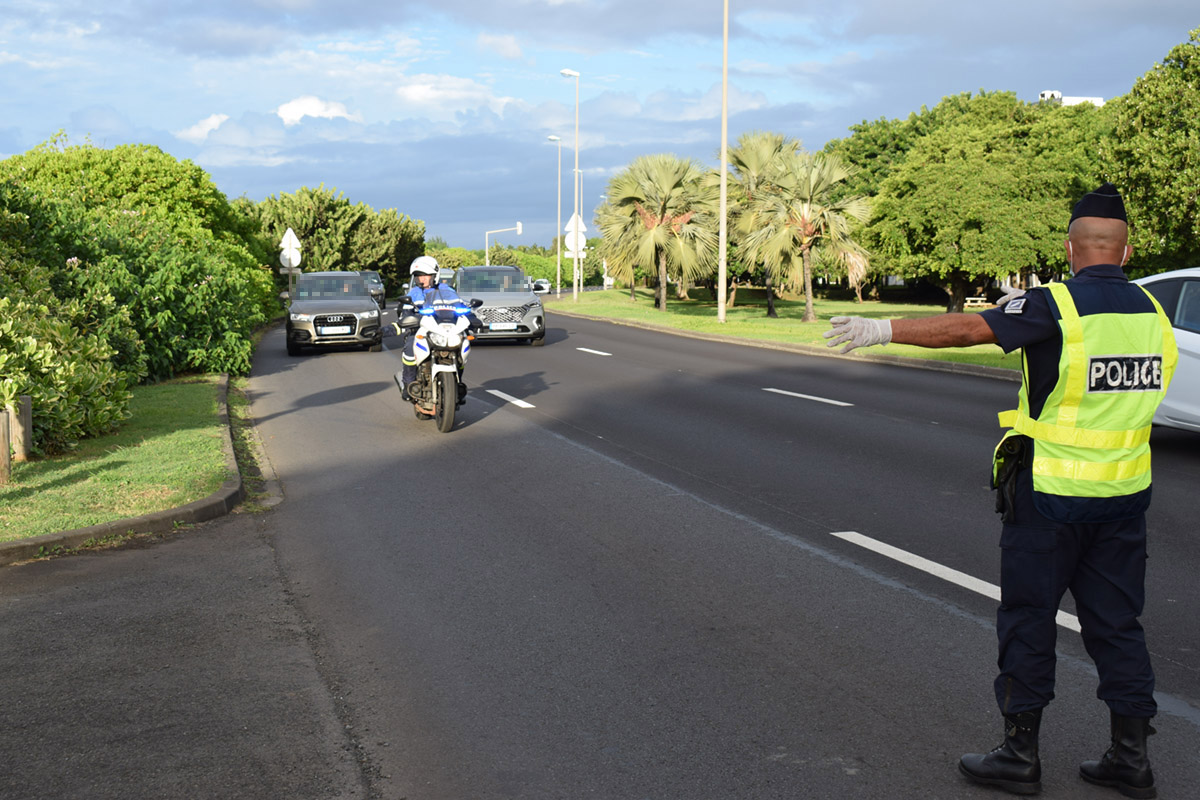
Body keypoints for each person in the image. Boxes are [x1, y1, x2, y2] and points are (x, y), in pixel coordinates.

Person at [824, 183, 1177, 798]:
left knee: (1029, 620)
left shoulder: (1057, 305)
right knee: (1118, 626)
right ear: (1125, 251)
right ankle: (1130, 758)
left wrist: (882, 328)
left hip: (1049, 497)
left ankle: (1019, 754)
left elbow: (968, 330)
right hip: (1124, 499)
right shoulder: (1153, 313)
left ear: (1071, 249)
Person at [398, 255, 480, 402]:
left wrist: (470, 316)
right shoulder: (414, 294)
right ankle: (409, 384)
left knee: (462, 347)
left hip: (444, 328)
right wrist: (408, 318)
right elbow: (405, 312)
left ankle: (457, 384)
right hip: (422, 329)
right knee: (410, 346)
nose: (421, 279)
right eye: (417, 276)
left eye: (424, 275)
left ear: (435, 275)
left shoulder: (447, 291)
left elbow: (460, 307)